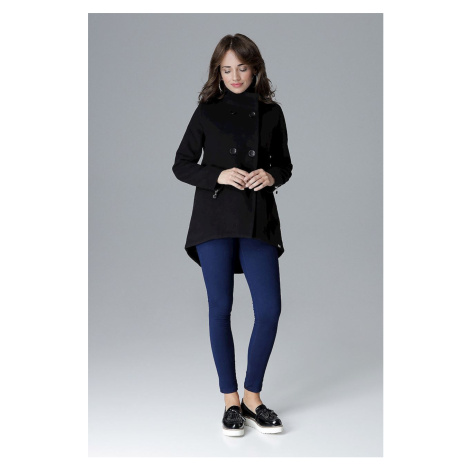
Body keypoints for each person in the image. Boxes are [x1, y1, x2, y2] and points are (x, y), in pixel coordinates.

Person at [172, 33, 293, 437]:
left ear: (255, 68)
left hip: (258, 219)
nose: (235, 76)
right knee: (220, 307)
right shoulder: (206, 111)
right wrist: (218, 175)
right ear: (218, 72)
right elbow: (181, 164)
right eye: (226, 69)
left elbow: (285, 165)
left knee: (269, 309)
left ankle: (253, 397)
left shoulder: (271, 112)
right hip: (215, 219)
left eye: (242, 68)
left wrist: (271, 175)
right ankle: (230, 401)